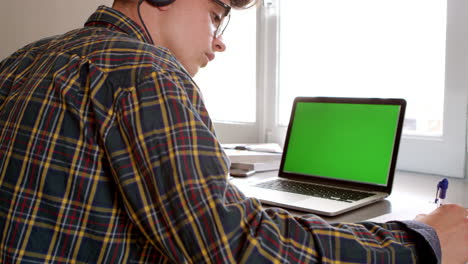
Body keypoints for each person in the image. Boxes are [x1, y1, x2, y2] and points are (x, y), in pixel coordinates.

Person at [0, 0, 466, 263]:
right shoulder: (147, 71)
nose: (220, 39)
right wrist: (418, 242)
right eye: (216, 13)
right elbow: (234, 246)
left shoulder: (23, 59)